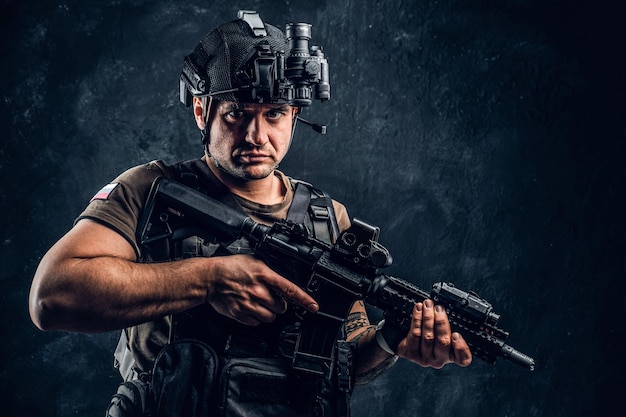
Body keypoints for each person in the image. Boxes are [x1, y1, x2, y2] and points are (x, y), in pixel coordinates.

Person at [28, 10, 472, 417]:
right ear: (203, 111)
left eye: (274, 114)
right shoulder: (148, 191)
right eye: (237, 114)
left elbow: (341, 364)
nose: (256, 135)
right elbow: (51, 297)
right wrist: (209, 279)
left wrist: (391, 341)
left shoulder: (328, 219)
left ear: (294, 116)